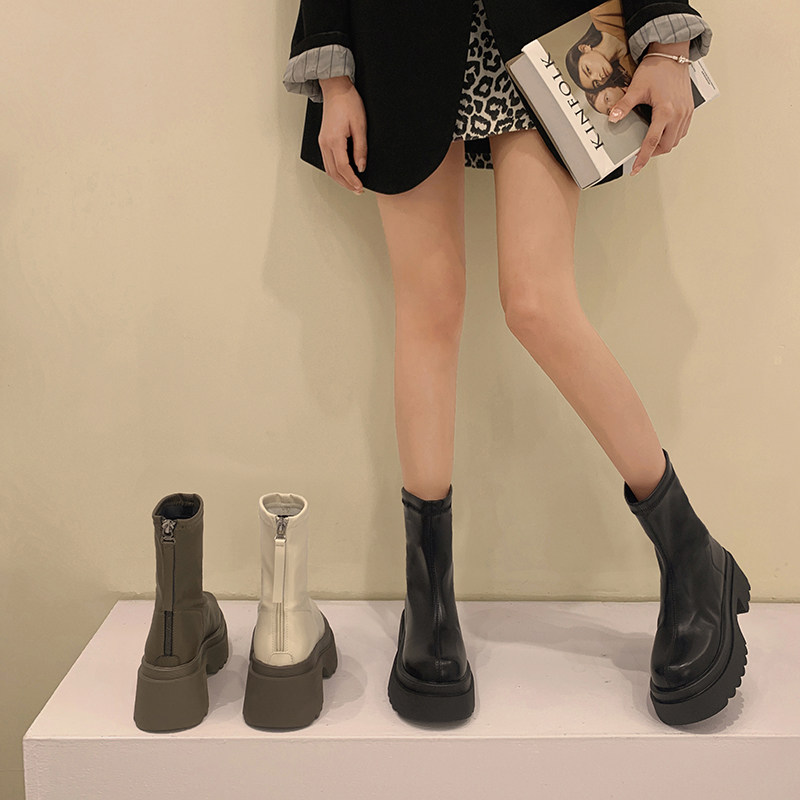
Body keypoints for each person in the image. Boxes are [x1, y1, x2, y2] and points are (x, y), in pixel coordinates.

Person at [281, 0, 750, 727]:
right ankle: (428, 600)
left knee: (537, 304)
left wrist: (666, 43)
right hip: (398, 35)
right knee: (428, 308)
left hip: (549, 27)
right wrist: (334, 72)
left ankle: (691, 552)